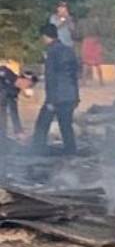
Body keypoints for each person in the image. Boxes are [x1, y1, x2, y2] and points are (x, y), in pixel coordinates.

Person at [32, 22, 80, 155]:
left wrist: (50, 100)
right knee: (66, 127)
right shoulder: (68, 50)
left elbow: (51, 77)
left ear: (45, 36)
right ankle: (71, 153)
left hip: (56, 96)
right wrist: (76, 96)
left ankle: (37, 151)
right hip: (70, 95)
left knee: (42, 125)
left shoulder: (51, 52)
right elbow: (74, 74)